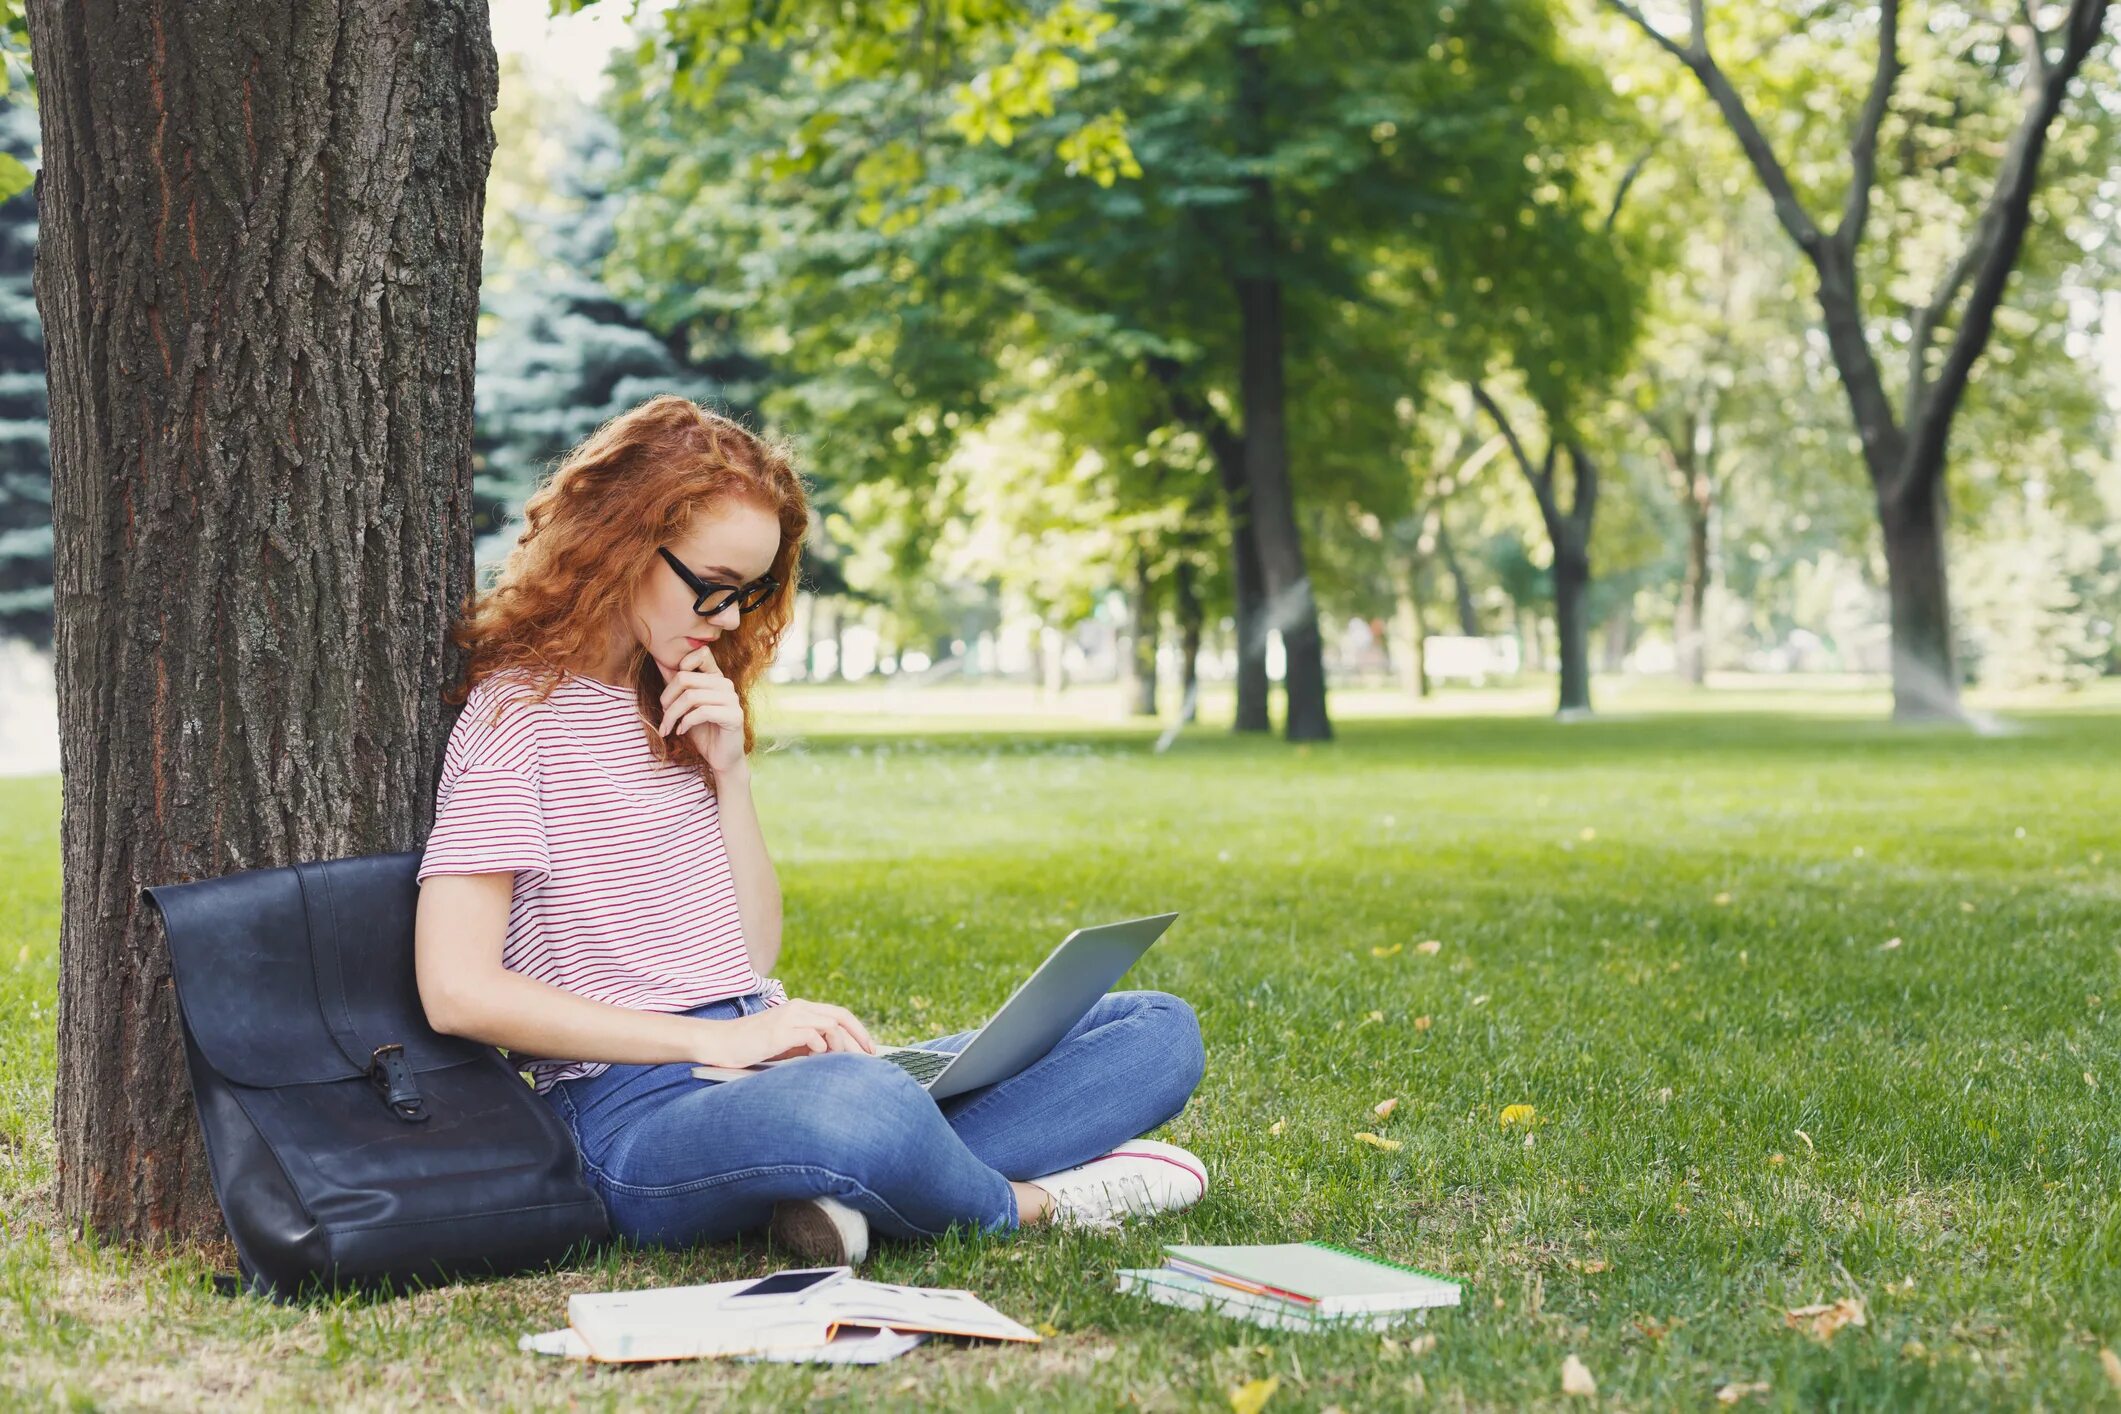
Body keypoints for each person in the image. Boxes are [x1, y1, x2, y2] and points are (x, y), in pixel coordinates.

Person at [412, 395, 1208, 1266]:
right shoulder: (514, 719)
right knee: (854, 1109)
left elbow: (748, 958)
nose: (724, 621)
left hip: (770, 1064)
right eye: (710, 589)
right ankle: (1029, 1204)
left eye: (746, 596)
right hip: (631, 1110)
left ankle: (836, 1188)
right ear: (619, 542)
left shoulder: (674, 705)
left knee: (1153, 1030)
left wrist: (728, 773)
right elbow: (458, 992)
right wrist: (716, 1039)